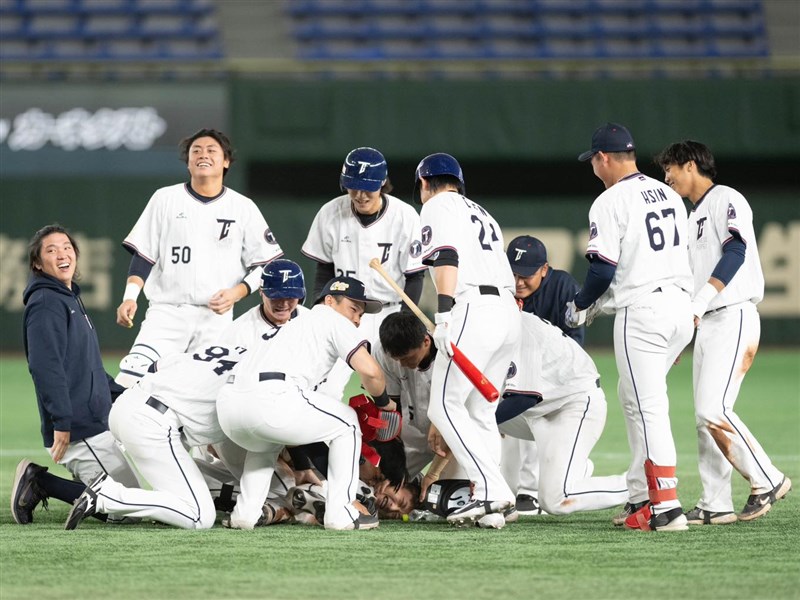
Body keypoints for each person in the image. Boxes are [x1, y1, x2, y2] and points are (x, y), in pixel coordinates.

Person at [567, 123, 695, 532]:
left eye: (594, 162)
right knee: (635, 399)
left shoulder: (610, 200)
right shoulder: (671, 195)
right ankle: (642, 494)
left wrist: (582, 304)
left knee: (647, 407)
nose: (593, 169)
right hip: (680, 306)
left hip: (644, 314)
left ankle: (667, 506)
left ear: (604, 158)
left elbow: (603, 269)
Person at [655, 140, 791, 524]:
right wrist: (685, 325)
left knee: (713, 409)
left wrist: (699, 304)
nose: (667, 177)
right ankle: (716, 503)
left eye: (671, 168)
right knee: (703, 416)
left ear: (691, 166)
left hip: (733, 314)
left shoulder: (726, 198)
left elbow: (736, 251)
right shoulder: (689, 215)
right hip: (707, 321)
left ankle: (767, 478)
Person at [216, 276, 393, 531]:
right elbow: (372, 373)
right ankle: (341, 513)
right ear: (330, 301)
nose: (356, 319)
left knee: (265, 444)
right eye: (354, 309)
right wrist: (384, 403)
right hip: (271, 396)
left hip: (229, 408)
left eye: (361, 314)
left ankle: (244, 514)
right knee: (347, 424)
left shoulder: (289, 327)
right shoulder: (330, 318)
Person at [115, 128, 283, 386]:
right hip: (167, 313)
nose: (203, 154)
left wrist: (237, 293)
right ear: (188, 161)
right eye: (196, 151)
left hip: (215, 319)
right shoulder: (165, 199)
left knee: (204, 394)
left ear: (226, 161)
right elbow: (144, 254)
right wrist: (130, 298)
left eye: (211, 150)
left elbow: (269, 266)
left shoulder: (242, 207)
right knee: (132, 380)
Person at [416, 152, 521, 528]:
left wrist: (443, 313)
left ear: (425, 184)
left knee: (442, 407)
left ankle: (494, 488)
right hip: (508, 312)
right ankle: (490, 507)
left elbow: (446, 256)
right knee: (479, 412)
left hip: (472, 308)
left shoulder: (436, 205)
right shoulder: (481, 211)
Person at [12, 224, 139, 525]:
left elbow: (88, 367)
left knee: (135, 500)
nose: (62, 253)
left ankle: (45, 483)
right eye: (51, 250)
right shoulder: (46, 303)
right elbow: (46, 367)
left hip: (94, 421)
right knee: (129, 509)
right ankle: (41, 482)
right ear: (37, 263)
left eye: (67, 247)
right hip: (80, 429)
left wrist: (123, 395)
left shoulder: (68, 299)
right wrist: (62, 421)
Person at [301, 147, 425, 396]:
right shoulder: (330, 212)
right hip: (344, 313)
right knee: (325, 386)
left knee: (400, 388)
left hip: (389, 309)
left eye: (367, 187)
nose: (359, 195)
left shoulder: (404, 216)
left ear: (382, 183)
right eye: (352, 186)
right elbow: (324, 267)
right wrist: (320, 307)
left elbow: (415, 275)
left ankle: (395, 434)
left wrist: (403, 320)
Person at [497, 311, 628, 515]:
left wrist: (487, 421)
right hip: (537, 411)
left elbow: (523, 398)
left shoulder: (519, 326)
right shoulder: (489, 321)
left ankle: (640, 485)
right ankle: (489, 493)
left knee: (555, 500)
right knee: (469, 411)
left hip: (572, 405)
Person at [504, 234, 584, 515]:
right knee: (503, 415)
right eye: (512, 274)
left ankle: (530, 489)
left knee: (537, 411)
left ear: (544, 269)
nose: (518, 282)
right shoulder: (501, 290)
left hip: (558, 372)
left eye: (526, 275)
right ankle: (509, 488)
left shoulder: (563, 287)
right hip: (511, 368)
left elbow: (575, 341)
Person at [375, 311, 437, 481]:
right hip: (412, 427)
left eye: (406, 358)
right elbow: (391, 406)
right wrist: (389, 448)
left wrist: (434, 474)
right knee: (384, 479)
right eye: (397, 359)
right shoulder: (382, 352)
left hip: (449, 430)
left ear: (426, 341)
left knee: (446, 493)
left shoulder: (449, 355)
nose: (401, 364)